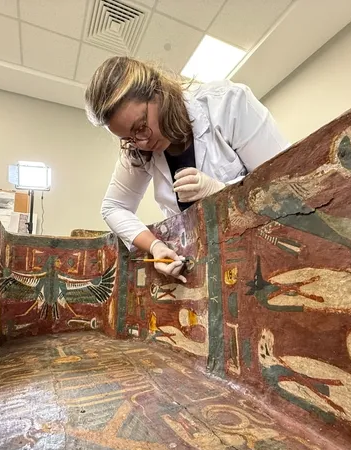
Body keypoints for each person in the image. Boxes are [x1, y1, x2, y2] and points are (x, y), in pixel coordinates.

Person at [84, 56, 289, 283]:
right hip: (208, 267)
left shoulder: (228, 103)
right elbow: (113, 207)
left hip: (266, 248)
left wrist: (221, 191)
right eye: (128, 138)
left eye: (141, 127)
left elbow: (284, 180)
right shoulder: (136, 149)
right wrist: (155, 246)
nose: (141, 143)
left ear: (158, 92)